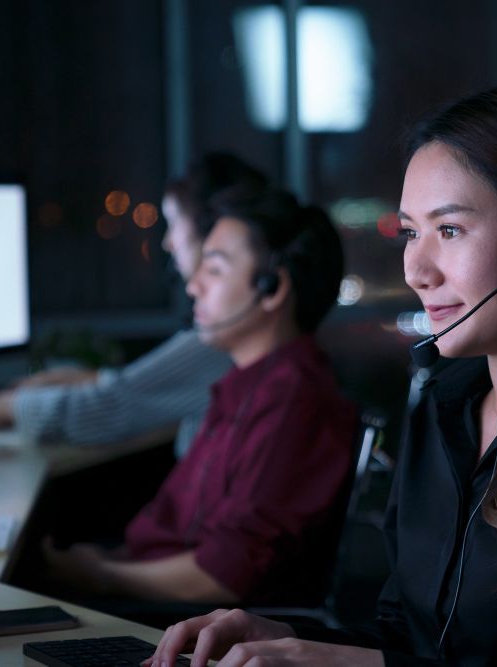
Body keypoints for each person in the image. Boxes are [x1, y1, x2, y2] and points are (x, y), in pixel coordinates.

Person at [143, 87, 497, 667]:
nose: (416, 271)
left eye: (449, 230)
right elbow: (409, 642)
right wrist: (283, 641)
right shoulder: (442, 410)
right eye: (410, 232)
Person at [40, 189, 358, 608]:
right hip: (147, 585)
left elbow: (224, 576)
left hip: (181, 617)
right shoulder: (247, 386)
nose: (193, 287)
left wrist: (101, 576)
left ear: (272, 287)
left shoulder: (293, 404)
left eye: (214, 269)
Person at [0, 153, 267, 458]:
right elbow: (132, 389)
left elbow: (115, 404)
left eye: (173, 224)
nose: (167, 244)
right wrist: (73, 380)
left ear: (213, 232)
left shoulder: (228, 338)